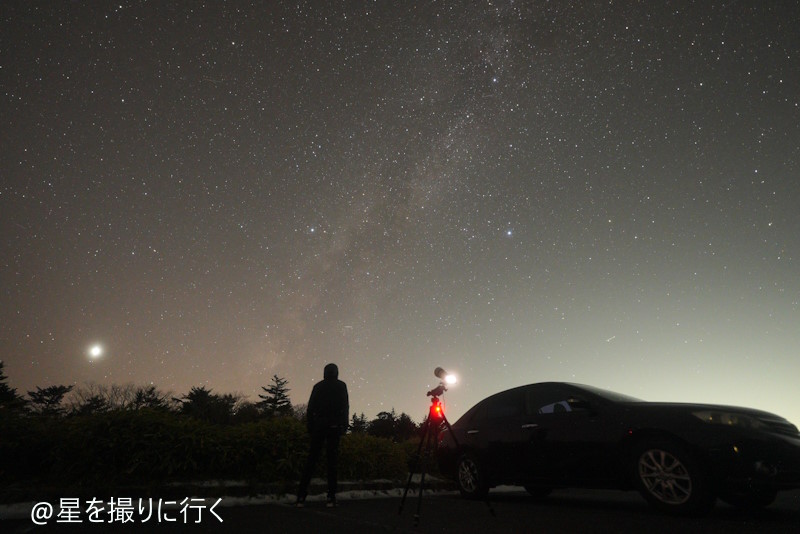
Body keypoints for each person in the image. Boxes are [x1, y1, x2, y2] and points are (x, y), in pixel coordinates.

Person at [296, 363, 349, 507]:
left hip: (319, 426)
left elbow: (310, 407)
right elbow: (345, 406)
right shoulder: (341, 386)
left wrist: (310, 426)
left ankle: (301, 496)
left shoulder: (318, 386)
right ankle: (331, 497)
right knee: (332, 462)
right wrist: (344, 425)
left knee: (311, 460)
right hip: (334, 426)